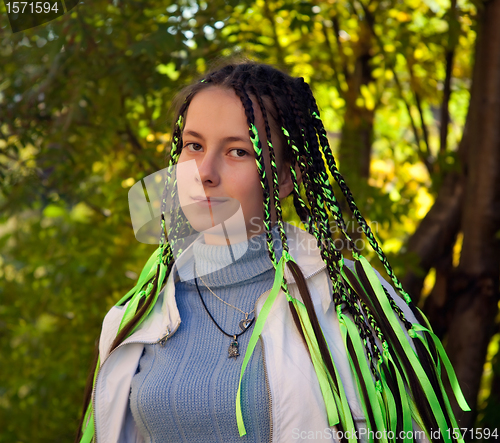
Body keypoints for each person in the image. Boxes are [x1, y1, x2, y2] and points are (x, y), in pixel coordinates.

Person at [75, 60, 470, 443]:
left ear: (284, 178)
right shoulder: (132, 318)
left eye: (237, 152)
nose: (204, 171)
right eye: (193, 145)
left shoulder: (355, 305)